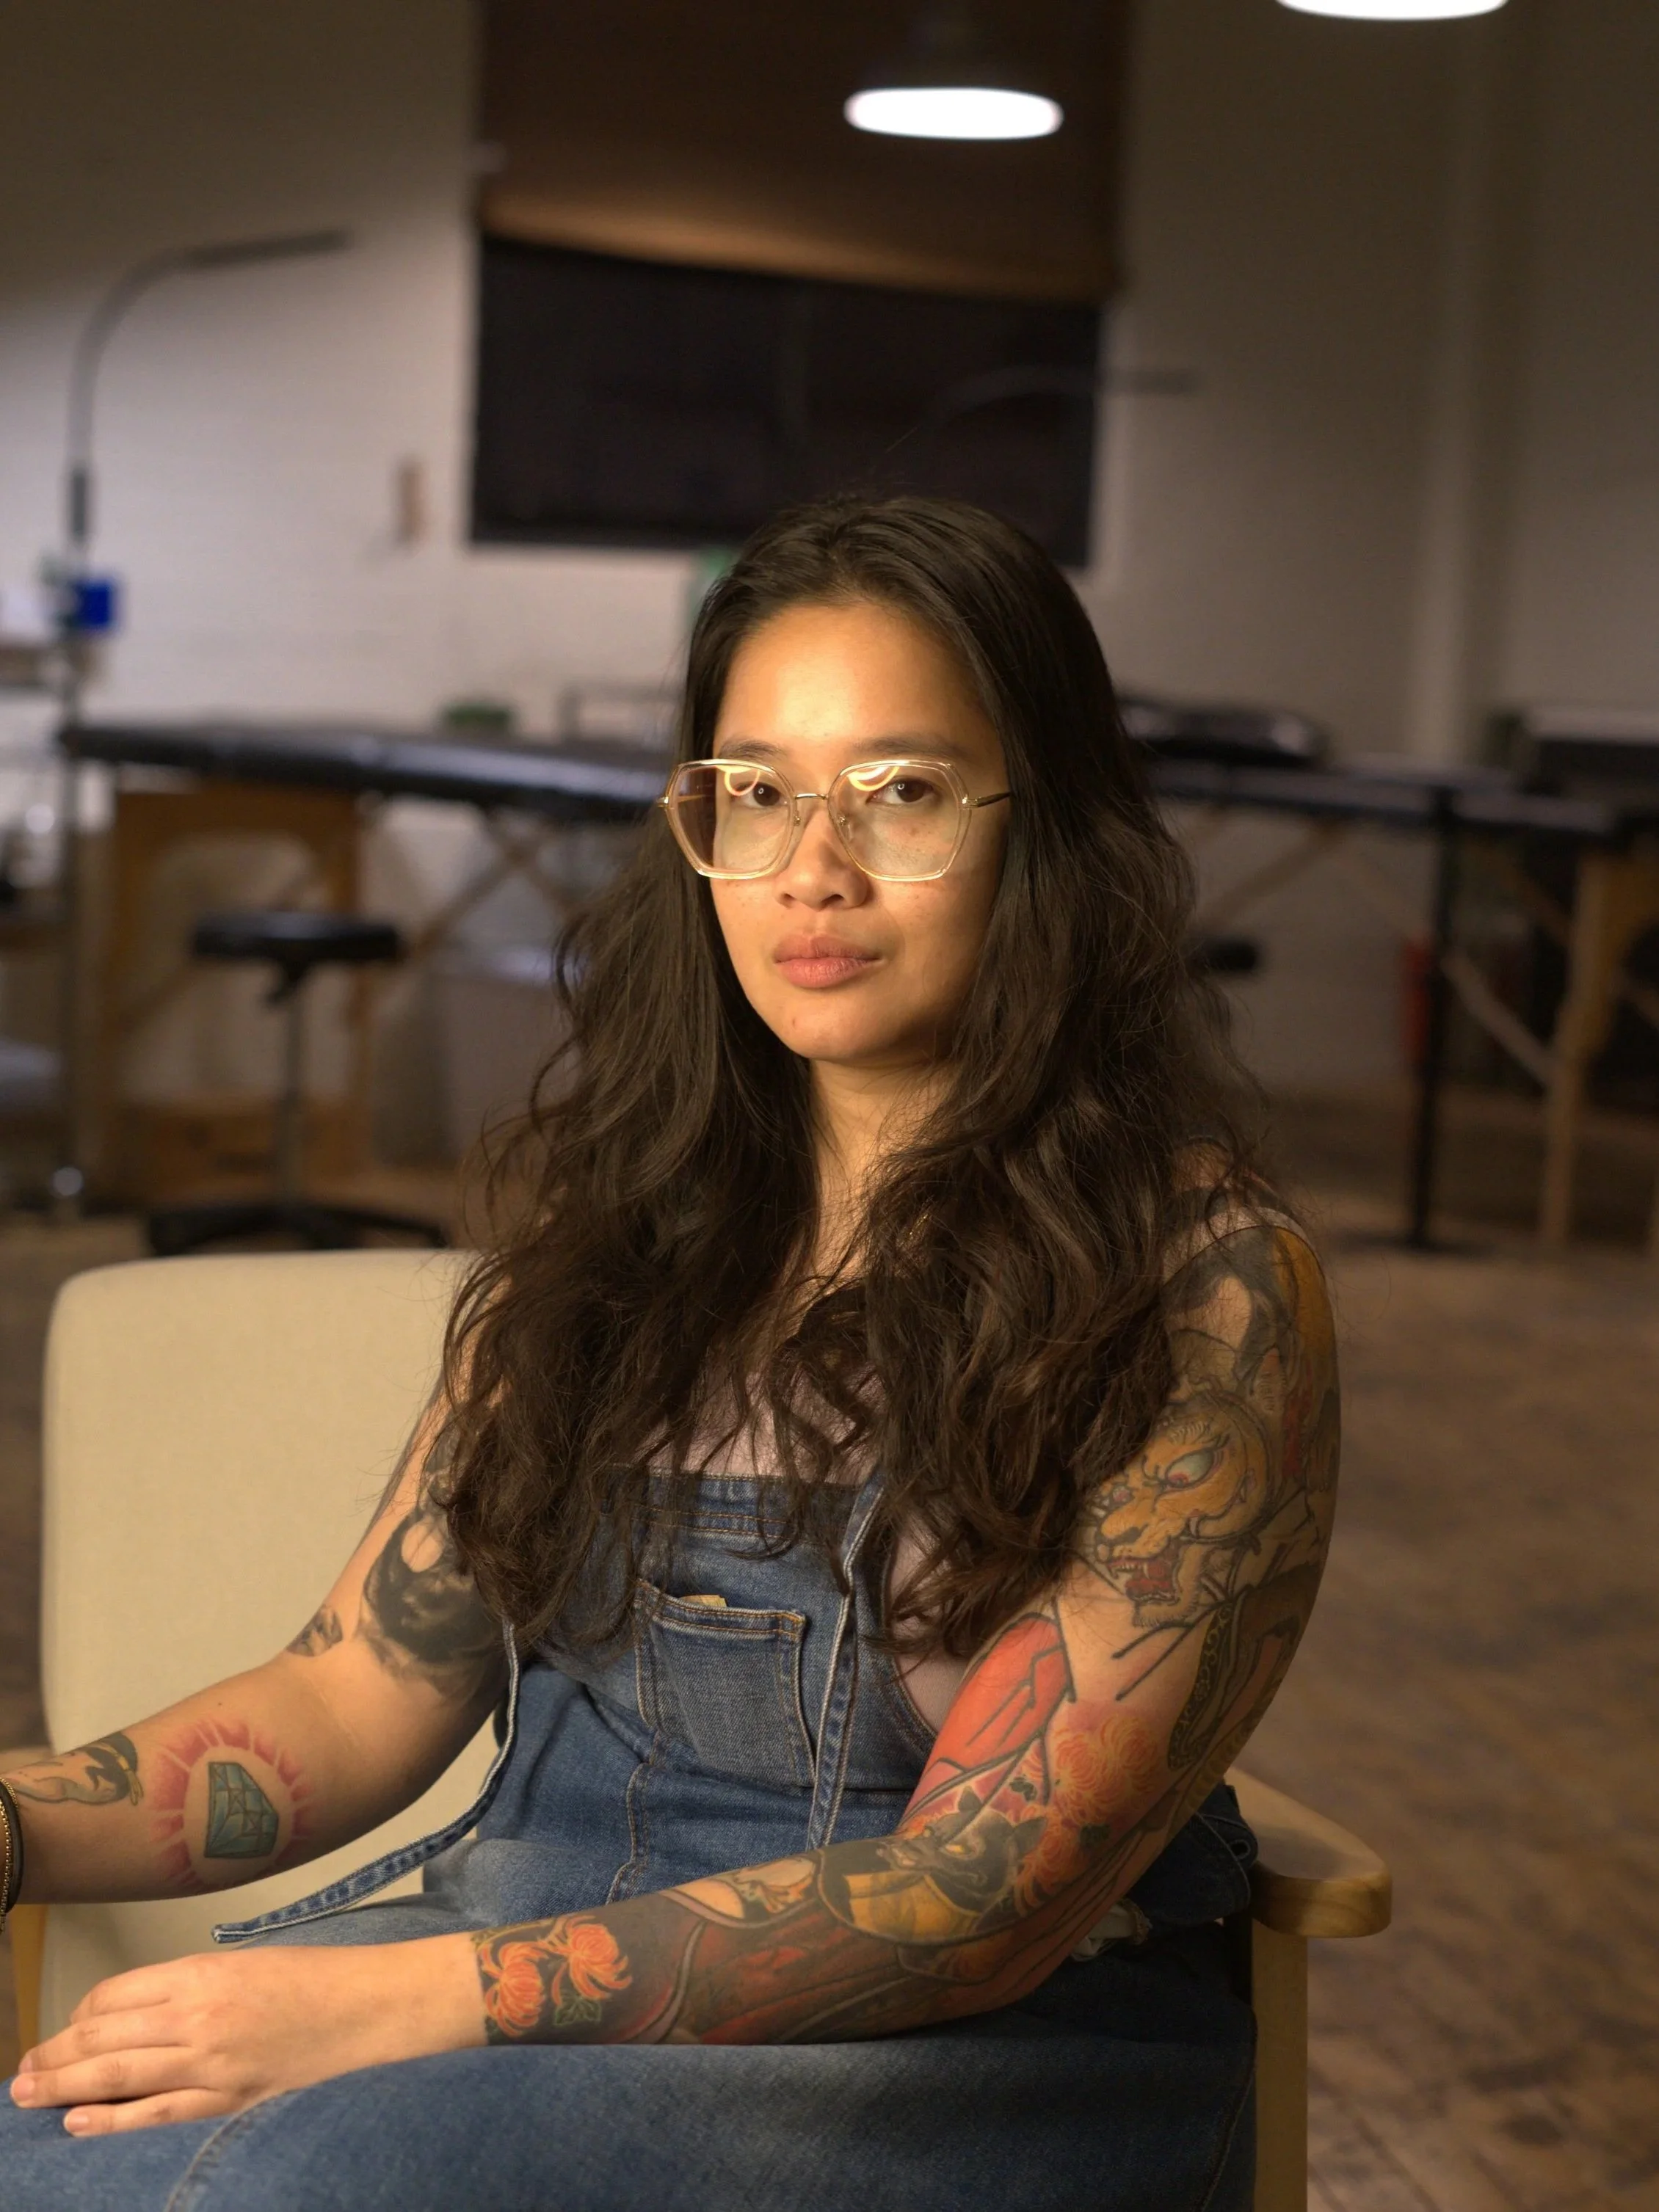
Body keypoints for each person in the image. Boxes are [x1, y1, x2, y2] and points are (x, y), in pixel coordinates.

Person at [0, 495, 1337, 2212]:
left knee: (287, 2182)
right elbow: (347, 1696)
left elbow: (978, 1893)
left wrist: (387, 2002)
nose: (813, 871)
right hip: (512, 1995)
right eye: (757, 791)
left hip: (944, 2062)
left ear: (1044, 828)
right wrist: (20, 1819)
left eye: (903, 792)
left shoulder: (1200, 1287)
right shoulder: (626, 1244)